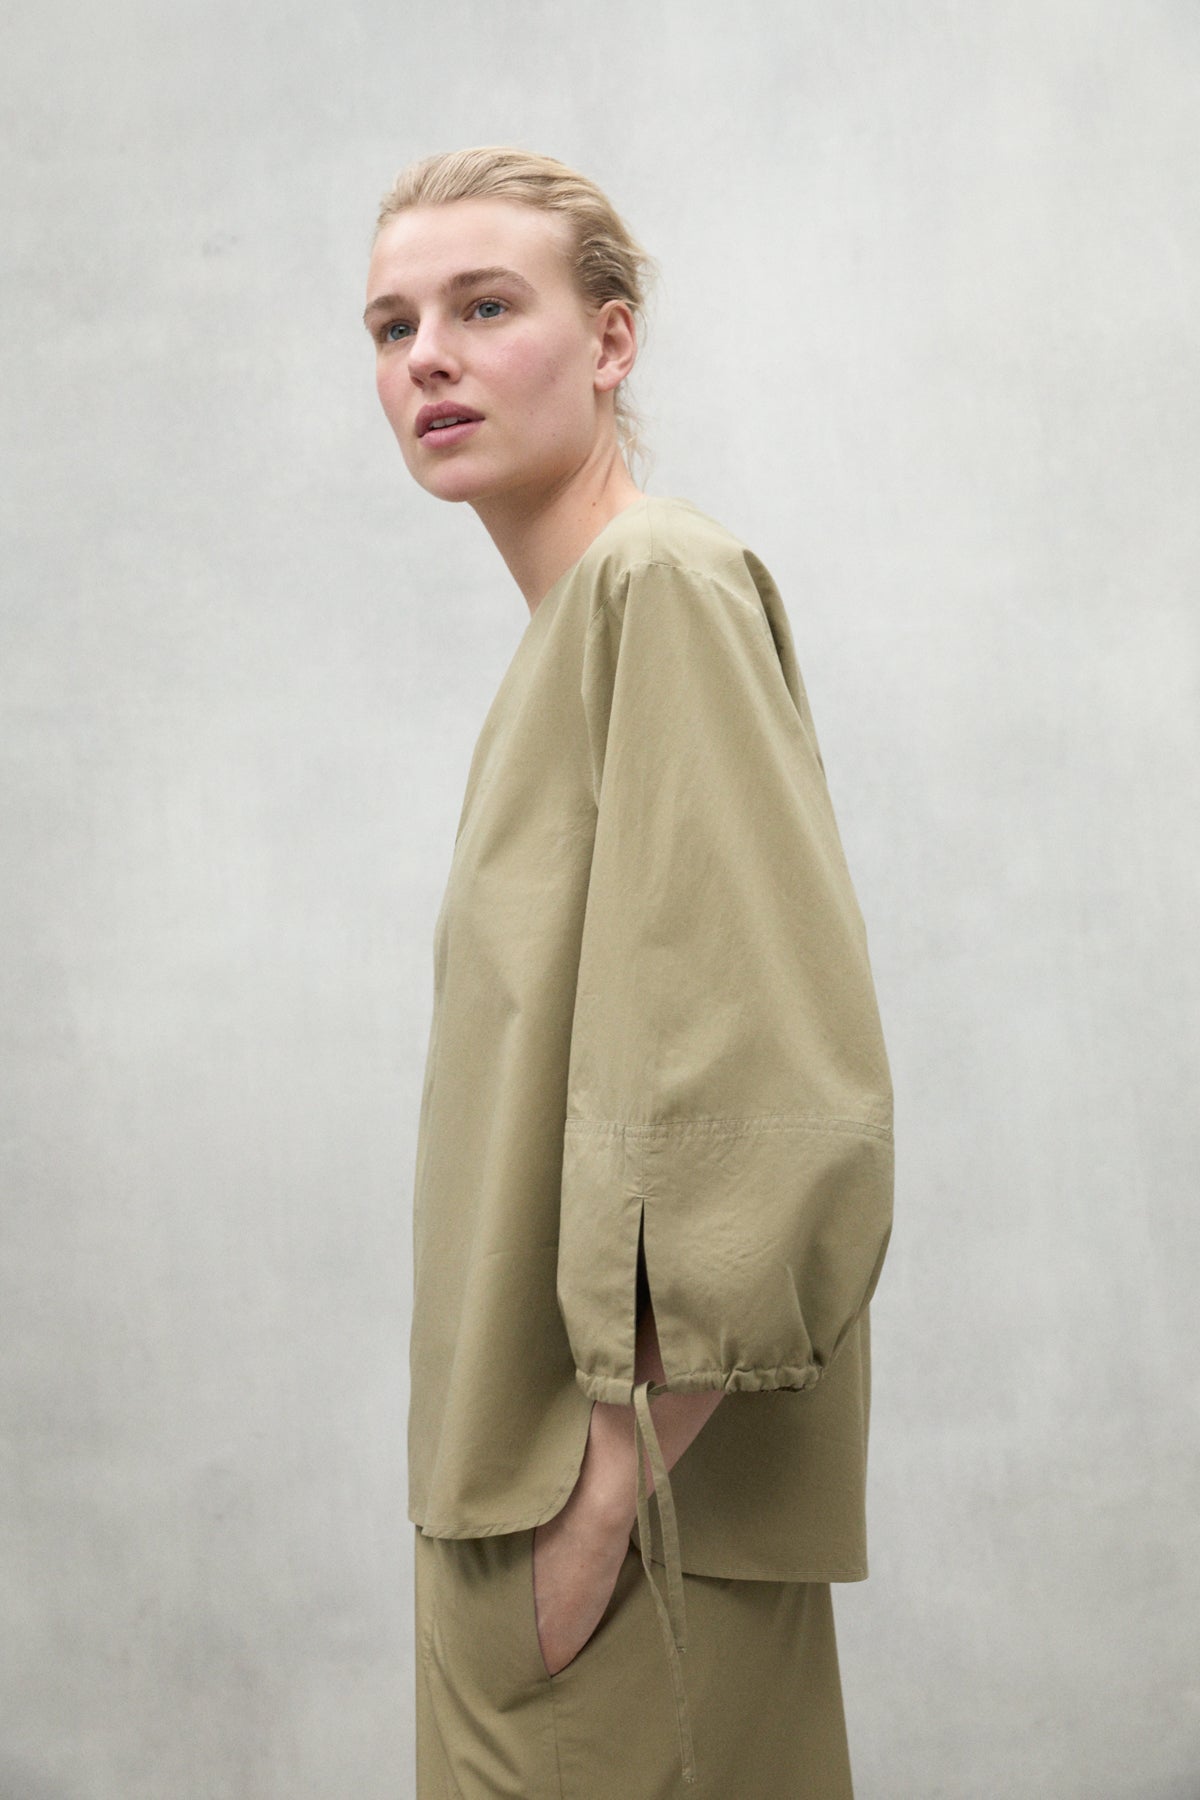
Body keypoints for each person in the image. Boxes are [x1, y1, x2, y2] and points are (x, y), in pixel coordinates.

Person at [363, 144, 895, 1798]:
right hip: (527, 1519)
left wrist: (598, 1512)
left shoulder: (655, 587)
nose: (427, 357)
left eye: (483, 306)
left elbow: (767, 1086)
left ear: (611, 341)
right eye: (392, 324)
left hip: (617, 1542)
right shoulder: (578, 626)